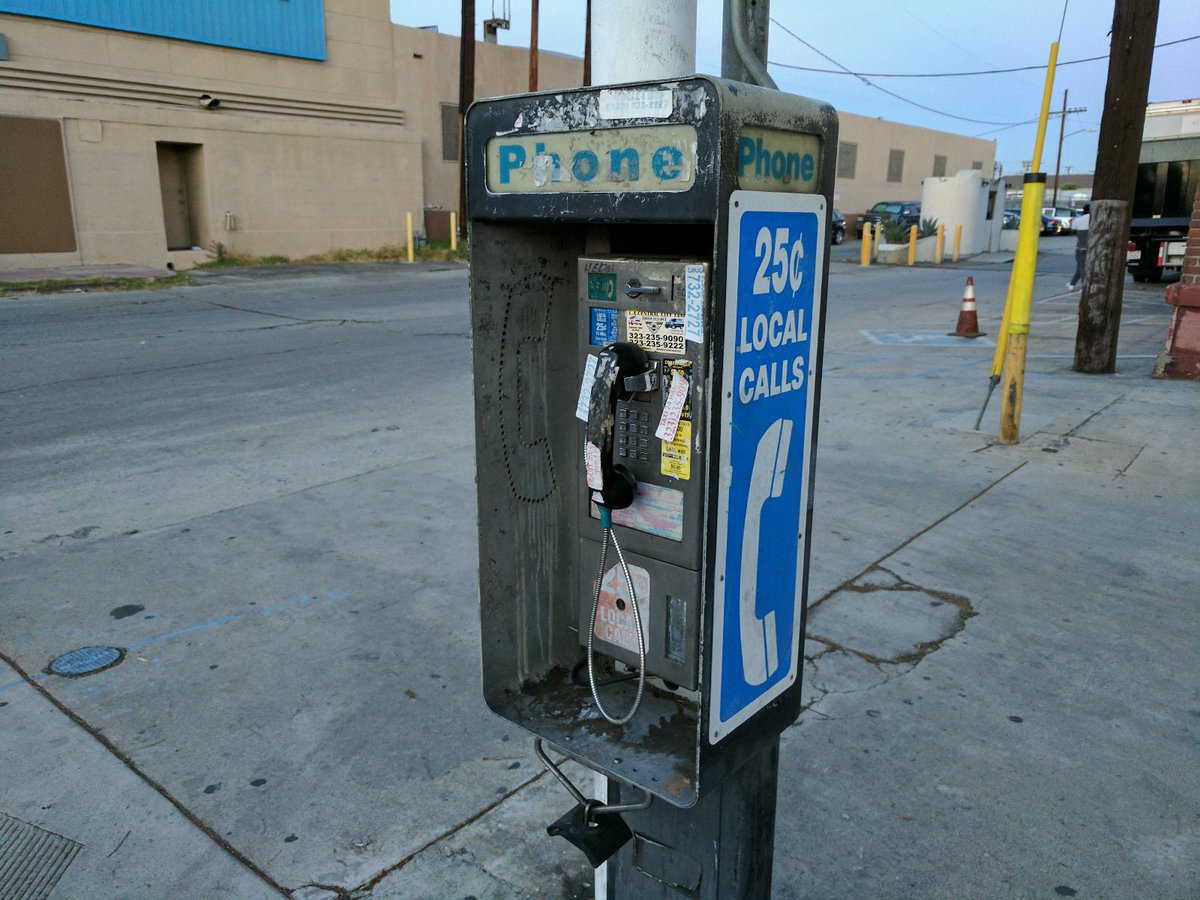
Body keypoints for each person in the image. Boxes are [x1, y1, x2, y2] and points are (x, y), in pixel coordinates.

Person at [1068, 203, 1090, 289]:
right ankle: (1072, 284)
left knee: (1081, 267)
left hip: (1080, 247)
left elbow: (1072, 228)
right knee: (1081, 267)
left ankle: (1084, 286)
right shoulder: (1095, 220)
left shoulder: (1078, 220)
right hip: (1091, 248)